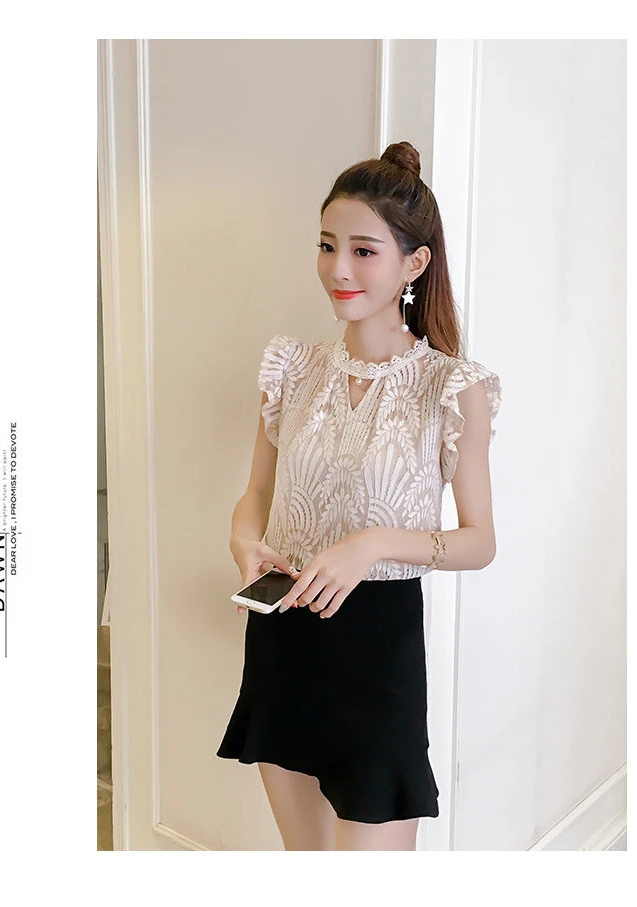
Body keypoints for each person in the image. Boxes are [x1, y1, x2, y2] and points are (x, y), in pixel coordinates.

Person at [216, 141, 502, 851]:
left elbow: (480, 542)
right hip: (284, 636)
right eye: (327, 245)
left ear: (414, 263)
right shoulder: (293, 369)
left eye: (363, 251)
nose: (338, 268)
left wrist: (371, 544)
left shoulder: (450, 386)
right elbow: (256, 494)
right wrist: (245, 543)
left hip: (378, 653)